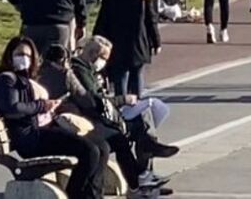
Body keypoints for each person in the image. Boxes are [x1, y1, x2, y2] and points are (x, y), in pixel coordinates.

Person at [37, 43, 172, 196]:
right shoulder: (69, 73)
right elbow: (87, 100)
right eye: (103, 58)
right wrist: (119, 100)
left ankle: (139, 178)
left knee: (122, 135)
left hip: (66, 122)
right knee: (107, 143)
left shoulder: (42, 73)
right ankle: (137, 179)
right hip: (69, 123)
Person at [0, 36, 109, 199]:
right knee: (89, 151)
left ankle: (94, 195)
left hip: (43, 129)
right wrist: (42, 106)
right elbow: (12, 108)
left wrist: (50, 107)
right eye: (19, 54)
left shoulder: (25, 79)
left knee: (102, 147)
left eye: (28, 55)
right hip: (30, 138)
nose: (24, 58)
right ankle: (76, 195)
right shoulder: (6, 80)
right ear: (9, 55)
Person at [93, 0, 161, 96]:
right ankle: (136, 107)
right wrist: (156, 41)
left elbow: (103, 17)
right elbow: (151, 19)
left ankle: (121, 108)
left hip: (116, 39)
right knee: (137, 74)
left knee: (120, 75)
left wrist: (97, 36)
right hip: (138, 40)